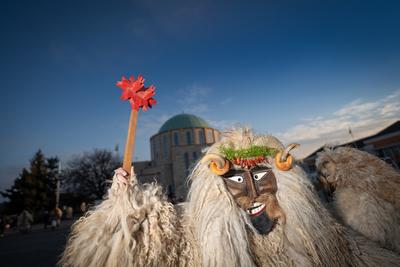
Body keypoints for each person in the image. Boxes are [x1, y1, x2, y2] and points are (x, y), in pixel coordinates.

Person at [60, 128, 400, 266]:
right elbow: (139, 243)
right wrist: (125, 202)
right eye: (236, 179)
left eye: (261, 176)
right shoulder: (202, 243)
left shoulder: (325, 237)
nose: (252, 193)